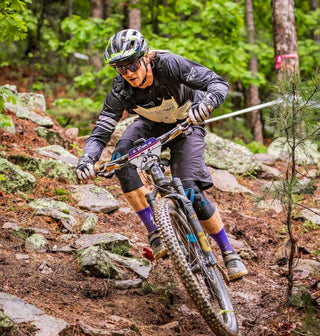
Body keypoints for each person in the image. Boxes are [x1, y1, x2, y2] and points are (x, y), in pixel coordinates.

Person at [76, 29, 248, 280]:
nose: (129, 73)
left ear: (145, 57)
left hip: (187, 122)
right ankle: (155, 232)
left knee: (190, 189)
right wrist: (87, 160)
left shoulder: (170, 65)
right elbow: (102, 129)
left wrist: (207, 103)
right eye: (121, 68)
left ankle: (228, 251)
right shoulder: (120, 89)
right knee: (121, 160)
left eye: (133, 64)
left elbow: (217, 82)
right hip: (150, 125)